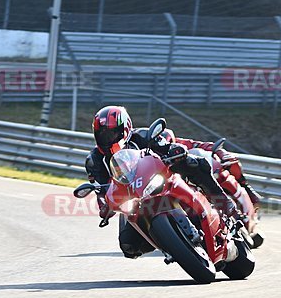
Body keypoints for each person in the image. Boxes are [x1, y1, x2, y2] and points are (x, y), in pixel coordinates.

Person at [84, 105, 238, 259]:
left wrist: (174, 150)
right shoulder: (94, 161)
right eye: (102, 133)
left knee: (196, 163)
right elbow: (101, 190)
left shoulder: (142, 136)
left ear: (125, 128)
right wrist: (105, 206)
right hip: (133, 199)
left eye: (112, 132)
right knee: (128, 246)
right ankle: (168, 244)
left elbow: (165, 146)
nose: (107, 137)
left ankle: (223, 202)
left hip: (161, 178)